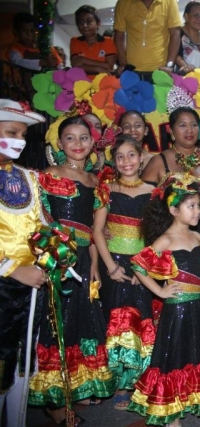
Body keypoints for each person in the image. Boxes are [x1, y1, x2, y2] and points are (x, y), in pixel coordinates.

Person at [128, 173, 200, 426]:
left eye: (198, 205)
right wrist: (160, 292)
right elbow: (138, 265)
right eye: (191, 206)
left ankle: (192, 394)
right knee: (174, 356)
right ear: (173, 209)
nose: (197, 211)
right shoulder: (166, 240)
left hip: (198, 307)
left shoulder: (198, 237)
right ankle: (171, 413)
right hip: (177, 310)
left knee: (197, 352)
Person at [29, 117, 116, 424]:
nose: (78, 144)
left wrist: (93, 264)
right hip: (55, 259)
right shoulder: (49, 175)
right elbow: (38, 218)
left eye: (84, 138)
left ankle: (74, 388)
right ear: (59, 144)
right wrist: (54, 254)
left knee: (82, 322)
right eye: (70, 138)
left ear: (93, 144)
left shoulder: (97, 182)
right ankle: (55, 405)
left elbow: (94, 231)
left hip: (82, 262)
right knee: (57, 325)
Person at [142, 108, 200, 304]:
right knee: (182, 300)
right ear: (170, 130)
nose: (189, 130)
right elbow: (143, 206)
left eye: (193, 125)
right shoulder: (159, 162)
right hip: (174, 240)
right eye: (182, 125)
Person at [92, 135, 155, 410]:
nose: (126, 161)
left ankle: (139, 379)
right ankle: (119, 383)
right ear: (114, 161)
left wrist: (150, 265)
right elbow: (96, 230)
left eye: (132, 155)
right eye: (120, 156)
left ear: (142, 158)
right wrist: (111, 267)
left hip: (141, 264)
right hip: (114, 264)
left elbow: (156, 232)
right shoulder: (106, 188)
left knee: (142, 319)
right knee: (117, 322)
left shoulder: (154, 191)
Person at [0, 99, 47, 427]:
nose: (20, 139)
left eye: (23, 134)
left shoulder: (30, 178)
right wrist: (14, 270)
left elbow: (43, 224)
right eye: (11, 132)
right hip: (5, 284)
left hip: (31, 289)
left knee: (22, 363)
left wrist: (51, 252)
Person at [113, 0, 181, 76]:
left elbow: (175, 35)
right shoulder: (123, 3)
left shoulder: (169, 2)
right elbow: (119, 37)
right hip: (131, 69)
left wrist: (169, 65)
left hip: (161, 69)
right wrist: (123, 63)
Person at [71, 5, 117, 78]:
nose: (85, 25)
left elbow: (109, 66)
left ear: (98, 23)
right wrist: (97, 68)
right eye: (80, 22)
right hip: (81, 85)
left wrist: (83, 60)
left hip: (104, 84)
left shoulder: (108, 41)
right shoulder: (75, 41)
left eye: (89, 21)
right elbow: (76, 65)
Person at [175, 1, 200, 74]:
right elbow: (175, 56)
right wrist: (187, 68)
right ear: (186, 16)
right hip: (182, 78)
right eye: (195, 15)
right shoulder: (177, 34)